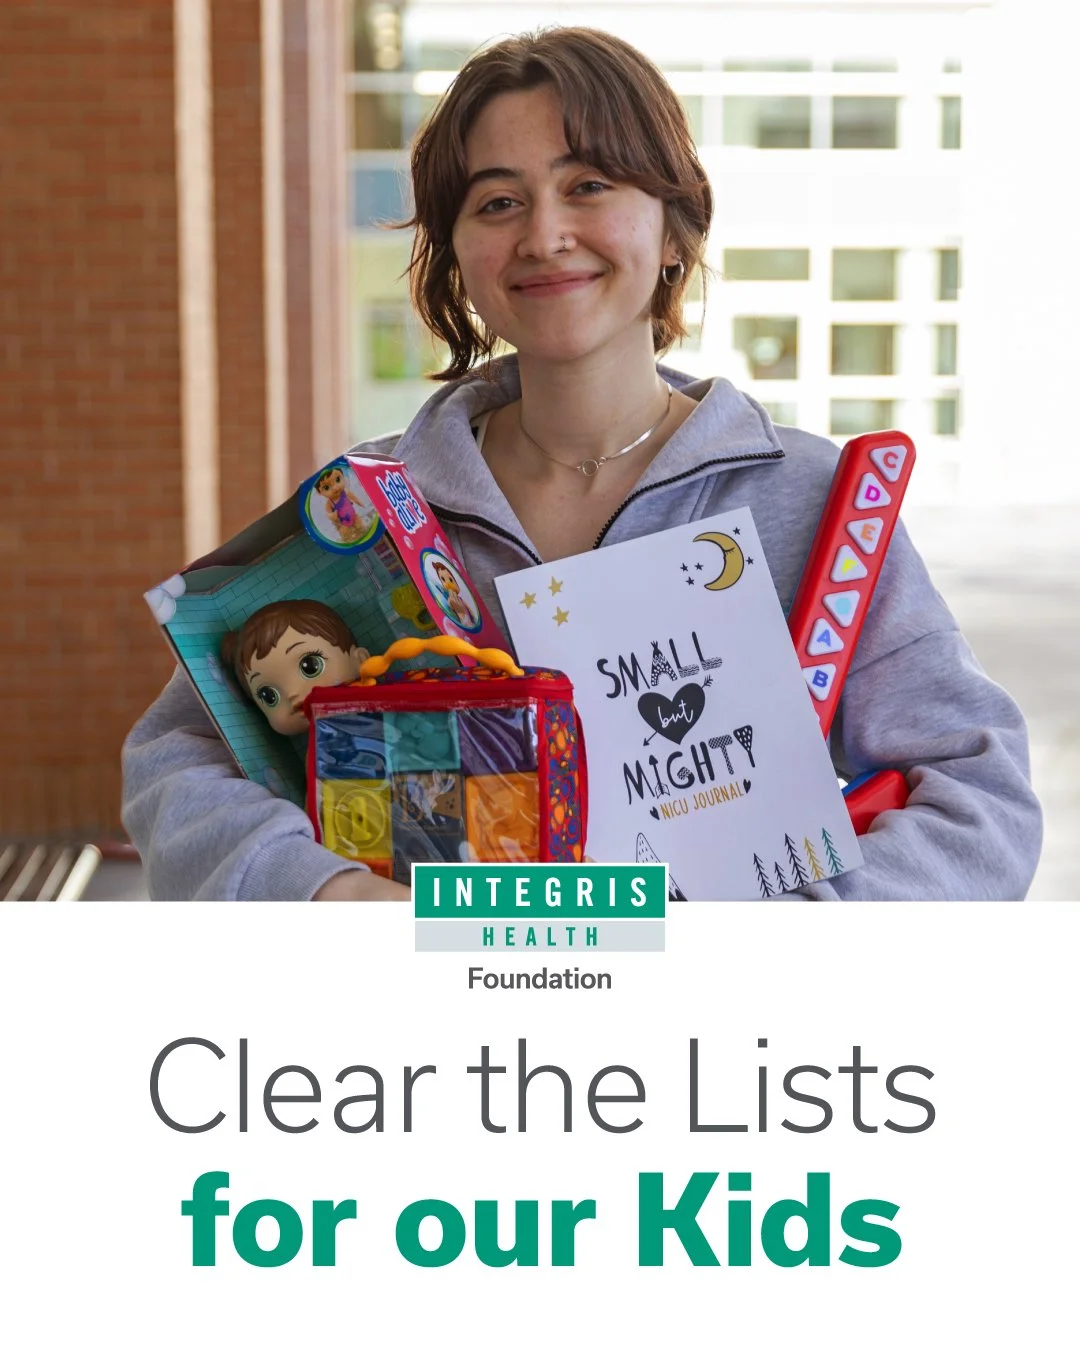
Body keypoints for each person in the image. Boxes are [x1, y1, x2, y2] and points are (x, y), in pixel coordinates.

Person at [122, 26, 1041, 901]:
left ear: (675, 224)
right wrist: (328, 892)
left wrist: (781, 937)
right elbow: (177, 763)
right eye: (498, 202)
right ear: (458, 254)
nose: (544, 234)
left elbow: (979, 795)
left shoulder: (805, 499)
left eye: (590, 184)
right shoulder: (363, 514)